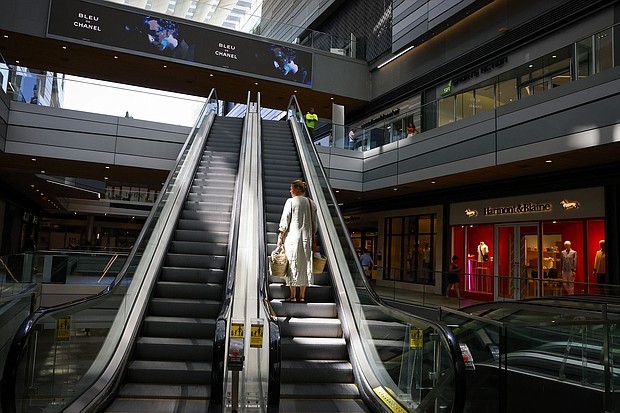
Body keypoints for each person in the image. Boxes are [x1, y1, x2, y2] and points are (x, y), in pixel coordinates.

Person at [277, 179, 317, 303]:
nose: (290, 190)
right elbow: (315, 224)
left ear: (298, 189)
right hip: (307, 239)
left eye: (292, 188)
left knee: (292, 263)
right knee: (305, 265)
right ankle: (302, 296)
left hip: (292, 238)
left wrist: (280, 235)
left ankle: (293, 295)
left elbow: (285, 219)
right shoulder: (312, 204)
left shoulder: (291, 202)